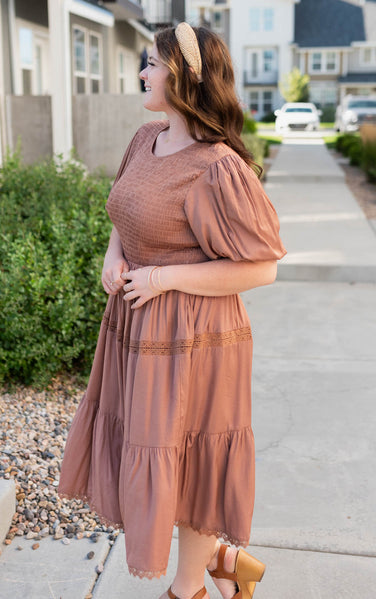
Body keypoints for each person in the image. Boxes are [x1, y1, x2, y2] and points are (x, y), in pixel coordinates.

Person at [58, 22, 286, 599]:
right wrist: (116, 257)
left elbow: (263, 267)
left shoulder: (217, 166)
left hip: (198, 336)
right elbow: (123, 215)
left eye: (152, 64)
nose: (141, 73)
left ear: (183, 77)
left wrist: (161, 277)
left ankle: (192, 590)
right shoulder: (145, 140)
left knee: (191, 459)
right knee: (169, 452)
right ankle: (227, 563)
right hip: (138, 326)